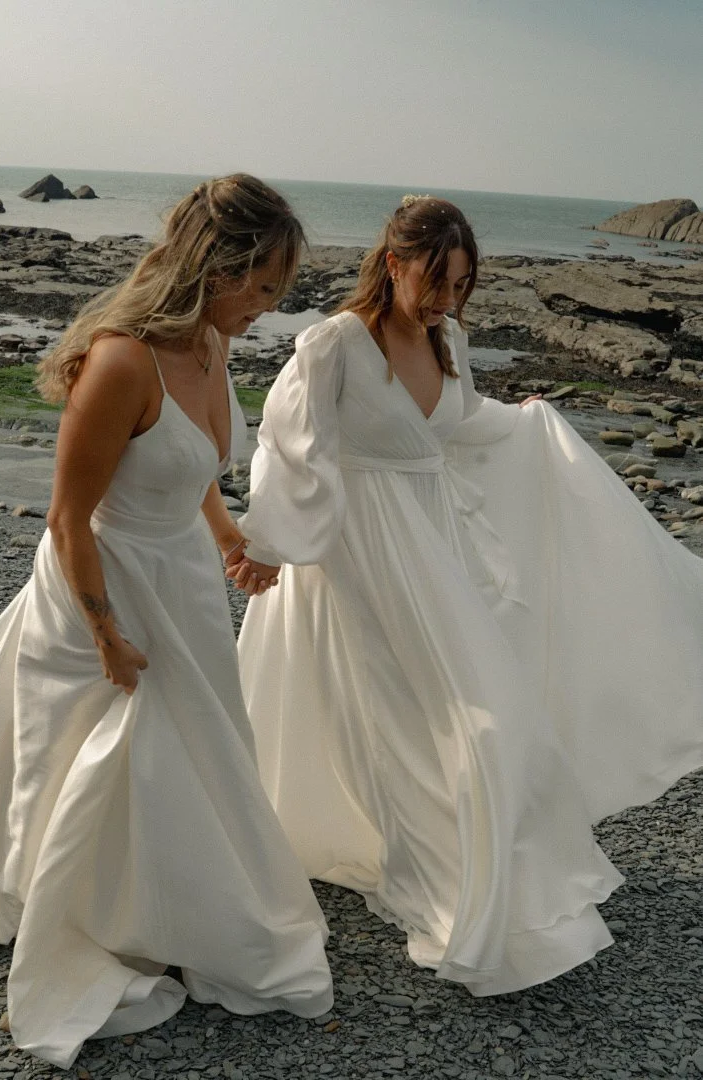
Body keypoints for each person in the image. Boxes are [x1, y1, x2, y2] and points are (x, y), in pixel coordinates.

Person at [0, 174, 333, 1068]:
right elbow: (67, 516)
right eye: (264, 287)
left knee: (197, 748)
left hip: (183, 583)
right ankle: (79, 911)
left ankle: (164, 896)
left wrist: (227, 535)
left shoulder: (209, 341)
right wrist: (101, 634)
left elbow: (197, 464)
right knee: (100, 757)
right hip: (105, 581)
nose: (269, 309)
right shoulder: (121, 359)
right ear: (216, 267)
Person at [227, 194, 703, 997]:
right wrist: (269, 547)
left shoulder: (450, 341)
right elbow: (289, 448)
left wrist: (532, 425)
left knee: (475, 711)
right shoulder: (333, 344)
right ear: (393, 262)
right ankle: (450, 885)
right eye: (436, 281)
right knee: (424, 719)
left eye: (461, 285)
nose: (447, 300)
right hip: (357, 557)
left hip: (435, 549)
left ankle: (476, 865)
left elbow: (461, 426)